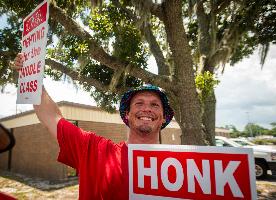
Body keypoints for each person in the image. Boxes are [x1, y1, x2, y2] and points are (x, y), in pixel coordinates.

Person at [13, 53, 174, 200]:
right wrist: (32, 77)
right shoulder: (95, 150)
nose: (147, 109)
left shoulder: (184, 168)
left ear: (164, 117)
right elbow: (51, 117)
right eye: (139, 103)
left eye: (155, 105)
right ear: (127, 114)